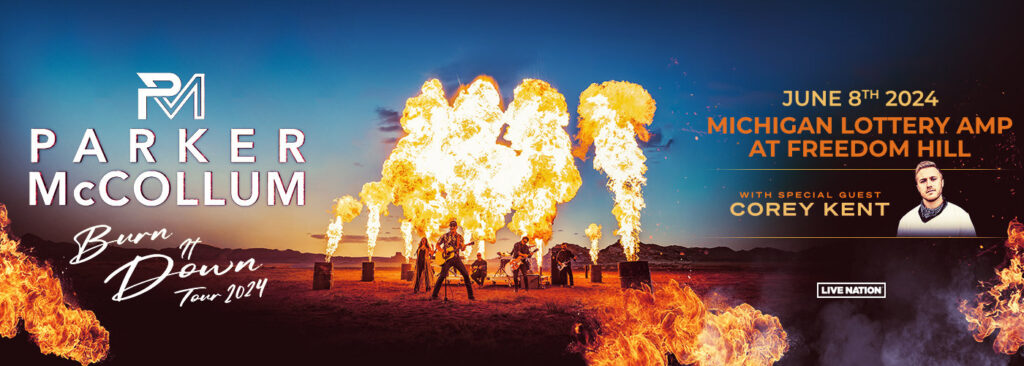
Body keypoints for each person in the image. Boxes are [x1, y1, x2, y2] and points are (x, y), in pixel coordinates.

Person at [897, 160, 976, 237]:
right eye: (923, 181)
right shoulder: (906, 222)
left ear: (942, 182)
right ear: (918, 188)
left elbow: (971, 249)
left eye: (933, 179)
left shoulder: (961, 217)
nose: (929, 185)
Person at [431, 220, 475, 300]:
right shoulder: (445, 236)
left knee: (465, 274)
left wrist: (464, 246)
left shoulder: (459, 237)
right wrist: (442, 251)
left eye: (453, 226)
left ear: (456, 227)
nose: (452, 228)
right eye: (450, 226)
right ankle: (434, 295)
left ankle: (471, 296)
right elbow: (437, 244)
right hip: (447, 258)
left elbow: (462, 249)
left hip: (456, 258)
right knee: (442, 276)